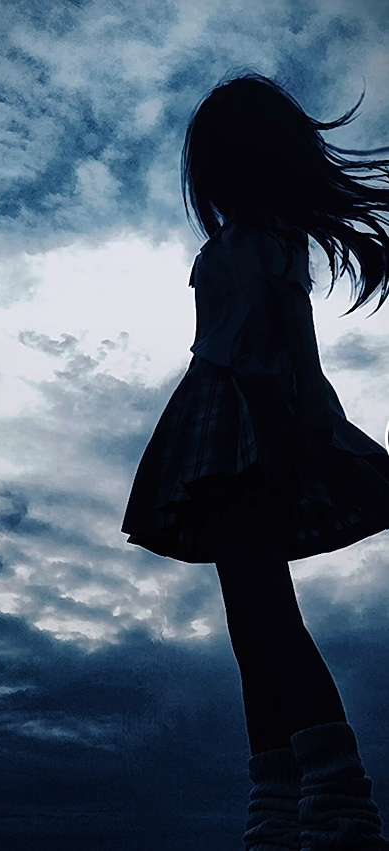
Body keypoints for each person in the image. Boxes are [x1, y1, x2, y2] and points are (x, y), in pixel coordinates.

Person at [120, 71, 389, 850]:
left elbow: (286, 353)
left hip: (245, 432)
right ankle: (279, 804)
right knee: (253, 622)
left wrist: (305, 432)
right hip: (221, 432)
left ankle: (336, 803)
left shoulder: (264, 244)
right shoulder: (241, 245)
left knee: (266, 616)